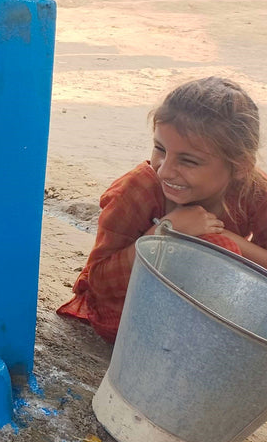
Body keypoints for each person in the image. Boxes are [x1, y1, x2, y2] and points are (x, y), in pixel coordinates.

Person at [58, 76, 267, 342]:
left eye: (188, 161)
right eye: (160, 149)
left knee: (219, 247)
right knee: (217, 248)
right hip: (128, 312)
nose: (165, 169)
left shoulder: (255, 190)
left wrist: (228, 238)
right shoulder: (136, 191)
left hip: (209, 308)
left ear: (238, 166)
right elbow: (99, 283)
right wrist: (162, 234)